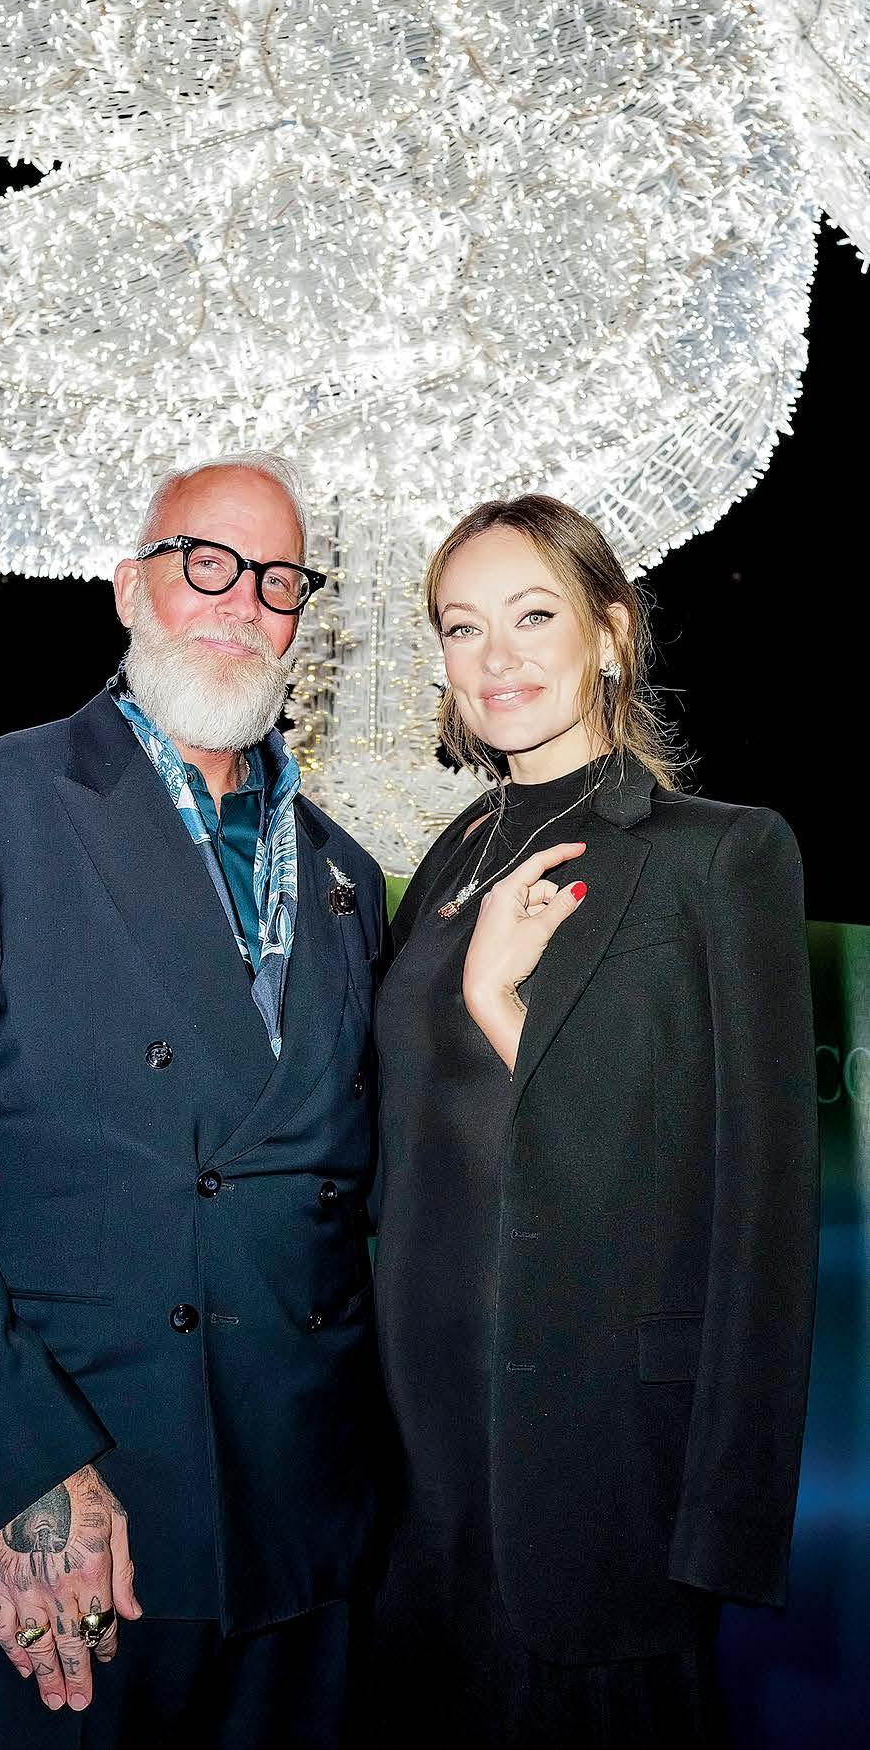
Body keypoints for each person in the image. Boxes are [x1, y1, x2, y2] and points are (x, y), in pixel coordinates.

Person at [0, 452, 388, 1750]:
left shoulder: (342, 876)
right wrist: (25, 1471)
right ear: (130, 588)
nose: (241, 599)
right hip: (66, 1528)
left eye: (279, 578)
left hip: (302, 1544)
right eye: (207, 562)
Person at [369, 493, 819, 1750]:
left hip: (595, 1474)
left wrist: (496, 1003)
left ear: (610, 631)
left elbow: (755, 1206)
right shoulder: (450, 857)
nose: (494, 658)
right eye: (462, 627)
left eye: (532, 615)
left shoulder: (716, 858)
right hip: (417, 1459)